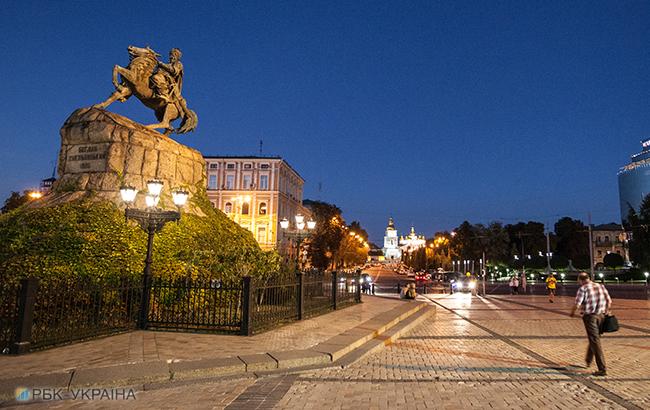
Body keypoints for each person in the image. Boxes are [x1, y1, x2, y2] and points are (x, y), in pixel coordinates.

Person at [570, 272, 612, 376]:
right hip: (601, 316)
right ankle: (588, 360)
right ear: (589, 278)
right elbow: (609, 301)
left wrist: (572, 313)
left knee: (595, 340)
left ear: (580, 280)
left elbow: (577, 303)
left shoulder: (583, 289)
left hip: (590, 317)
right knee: (594, 338)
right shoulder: (600, 286)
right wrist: (606, 311)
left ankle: (602, 369)